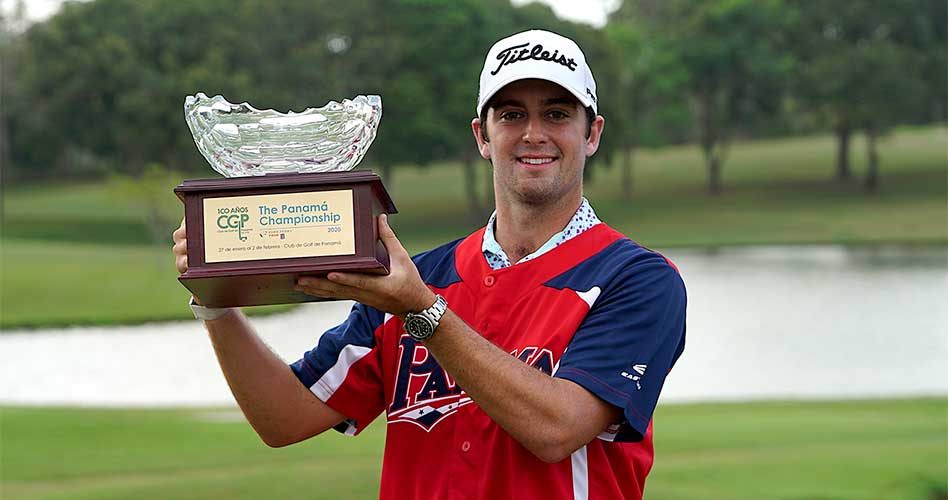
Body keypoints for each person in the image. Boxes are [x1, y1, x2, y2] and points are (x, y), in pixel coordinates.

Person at [172, 29, 686, 500]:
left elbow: (557, 429)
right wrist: (215, 300)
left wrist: (421, 311)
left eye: (556, 114)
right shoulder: (417, 278)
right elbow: (282, 418)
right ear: (482, 136)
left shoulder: (636, 279)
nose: (533, 133)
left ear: (591, 134)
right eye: (510, 115)